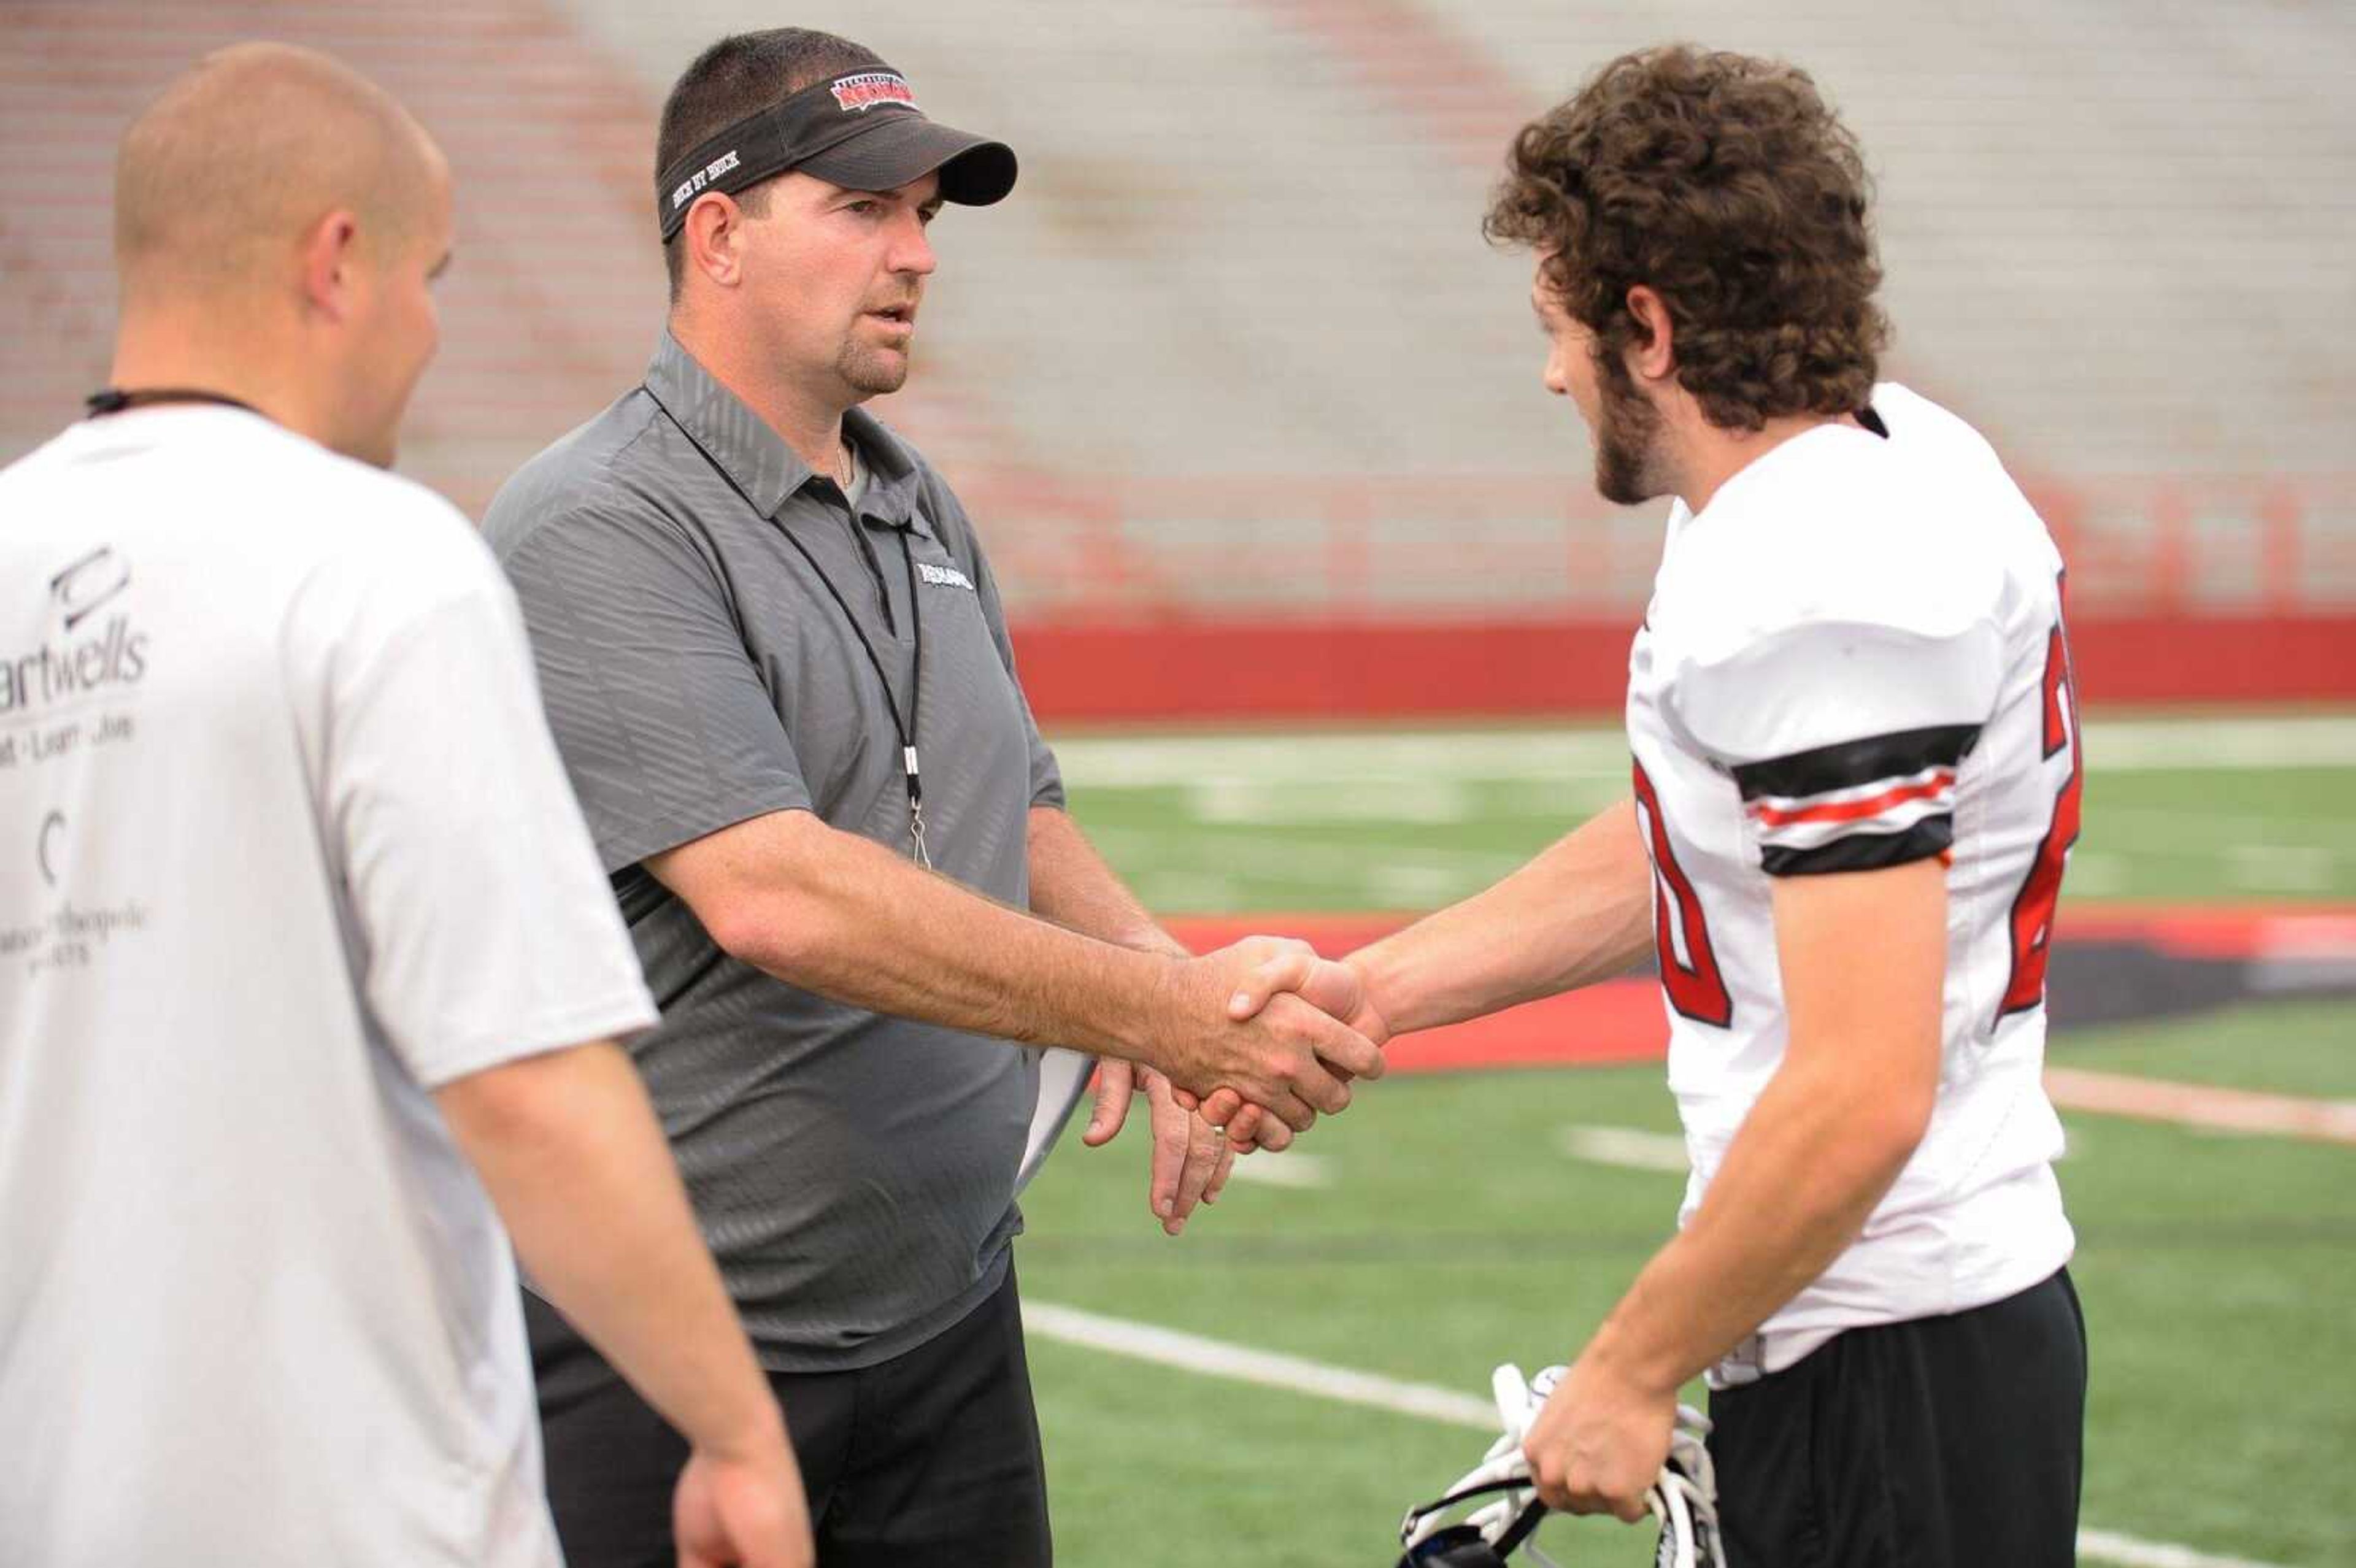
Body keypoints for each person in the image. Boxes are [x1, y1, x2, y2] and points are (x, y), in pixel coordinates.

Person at [479, 26, 1383, 1568]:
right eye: (863, 209)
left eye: (926, 218)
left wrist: (1166, 982)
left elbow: (1010, 806)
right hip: (678, 1363)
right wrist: (1145, 1014)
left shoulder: (912, 494)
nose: (915, 254)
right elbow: (772, 890)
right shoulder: (596, 526)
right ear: (719, 233)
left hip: (945, 1327)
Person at [1224, 44, 2087, 1568]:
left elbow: (1864, 1084)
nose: (1553, 376)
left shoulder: (1810, 584)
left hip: (1888, 1345)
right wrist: (1370, 992)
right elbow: (1704, 846)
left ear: (1650, 327)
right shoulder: (1884, 461)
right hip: (1879, 1322)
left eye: (1558, 329)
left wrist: (1632, 1366)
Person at [0, 44, 812, 1568]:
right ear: (338, 262)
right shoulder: (377, 559)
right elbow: (523, 1078)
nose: (431, 329)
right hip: (343, 1496)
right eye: (430, 276)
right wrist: (734, 1431)